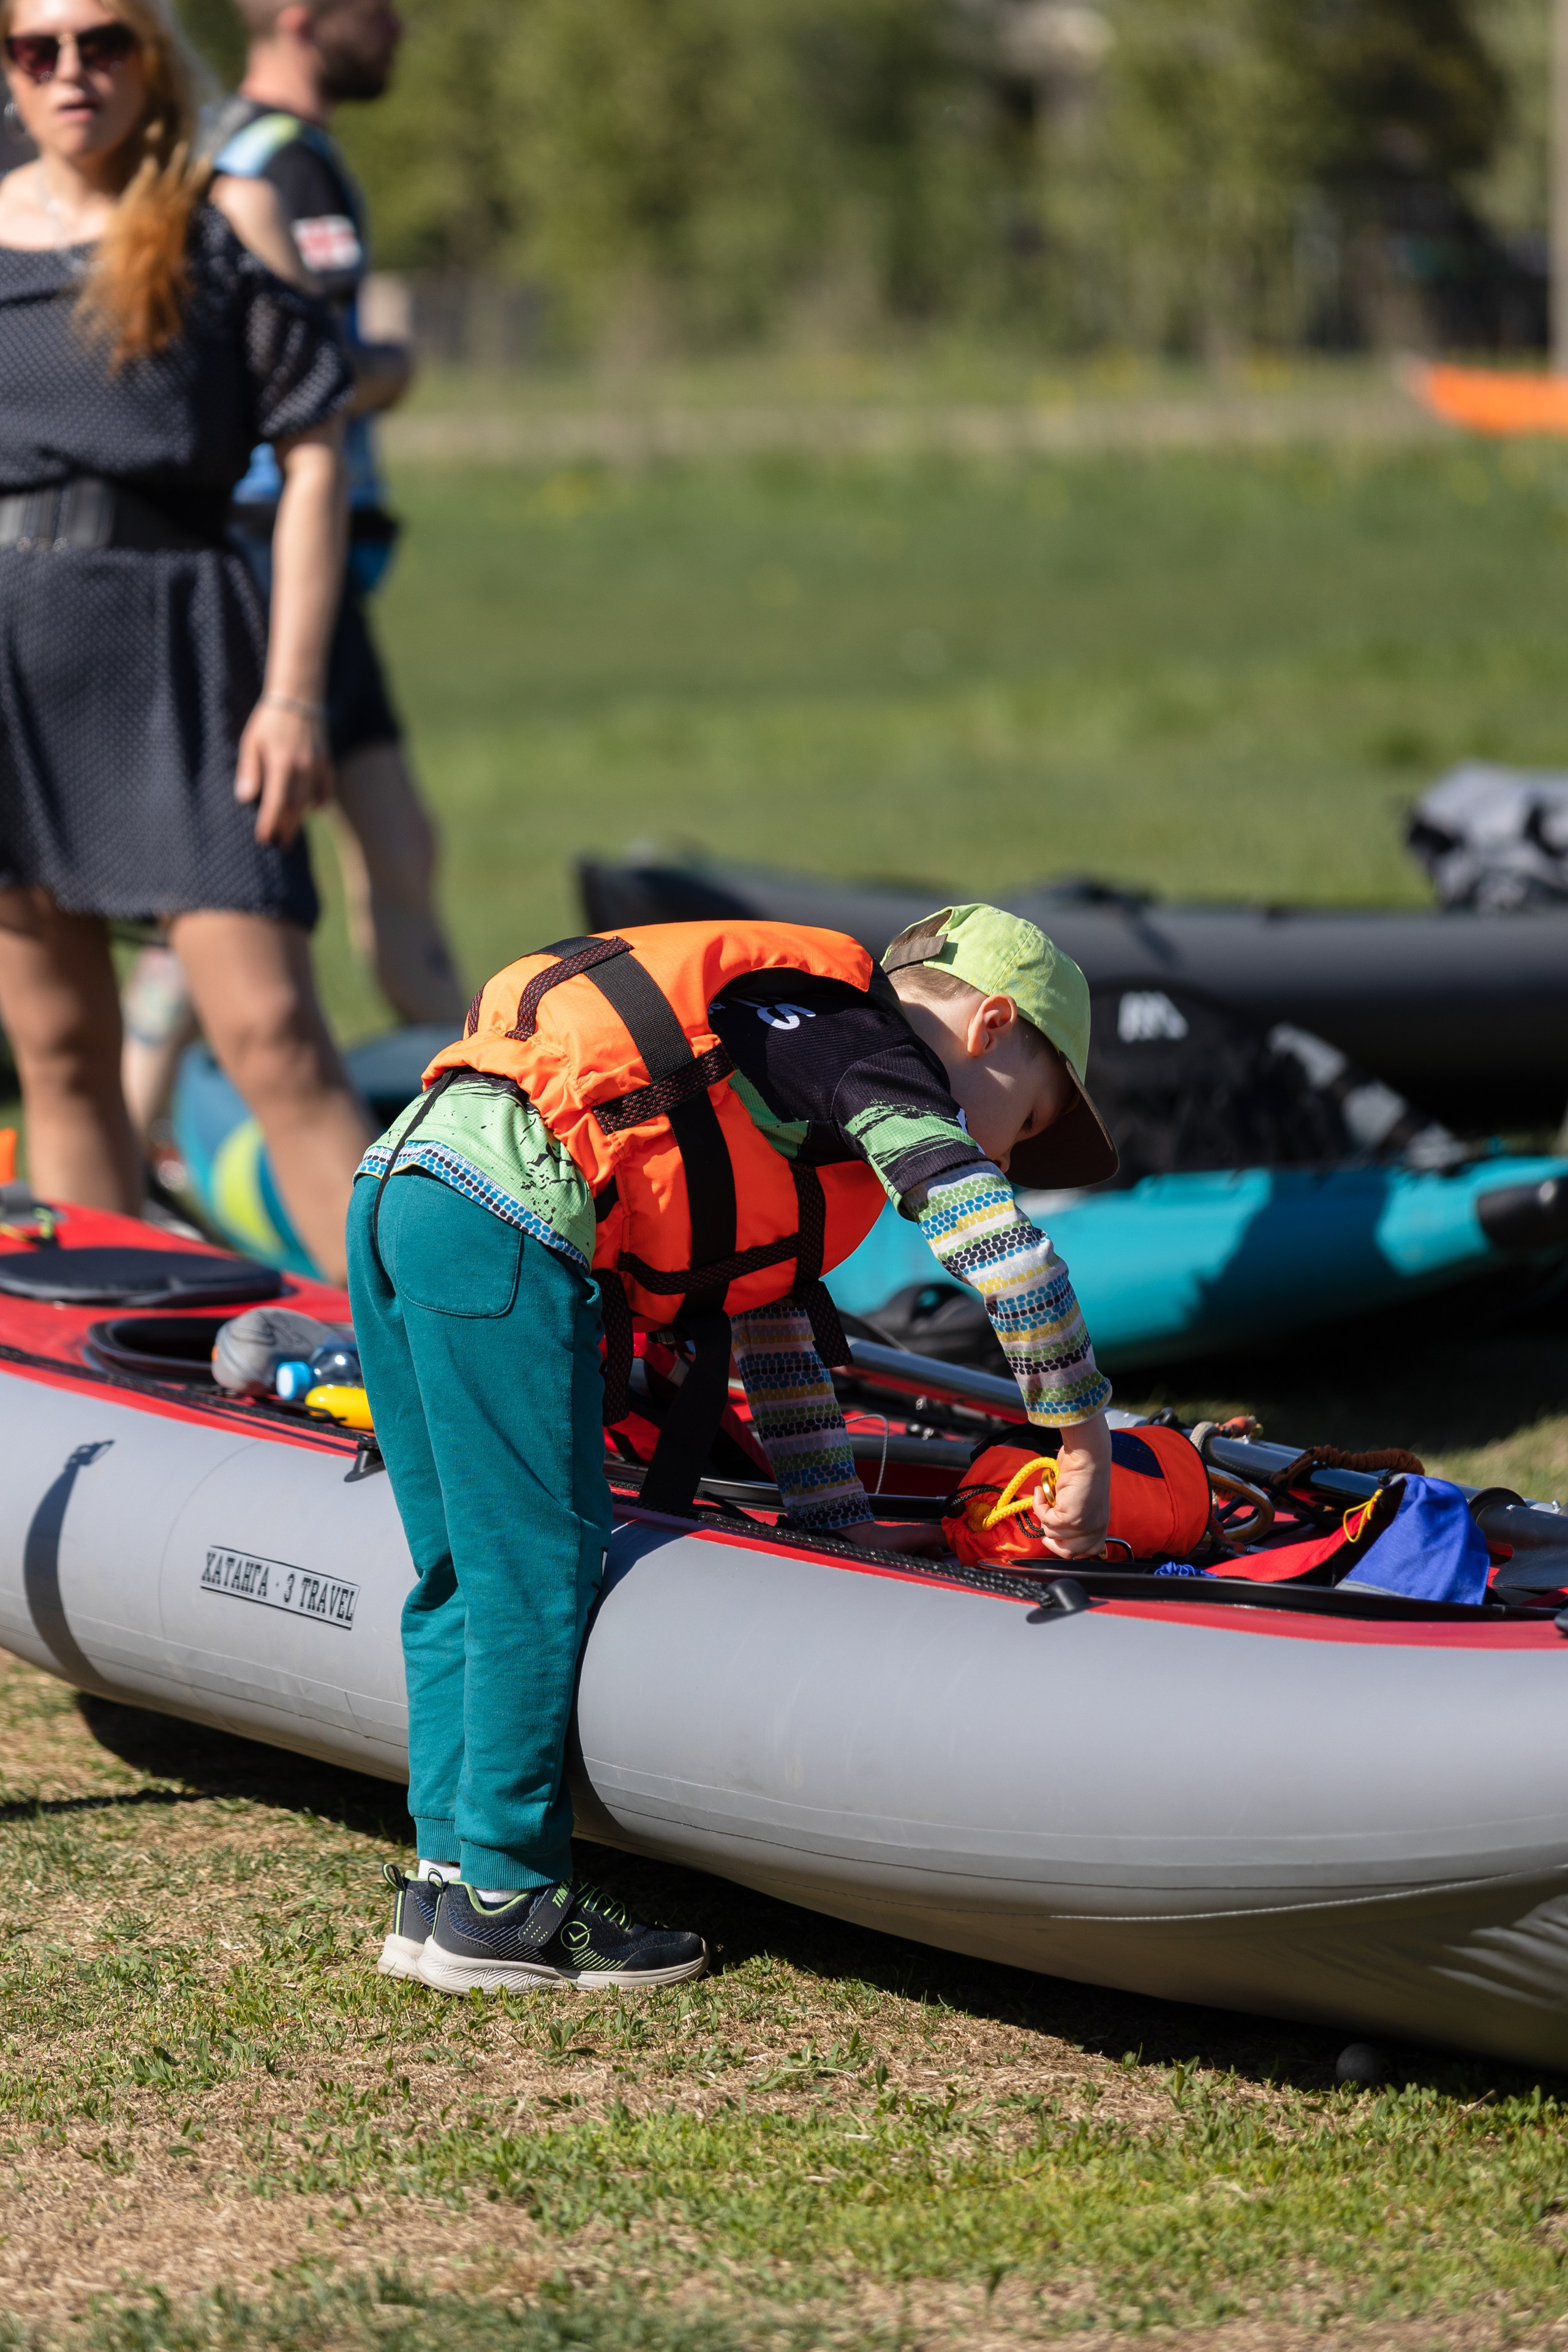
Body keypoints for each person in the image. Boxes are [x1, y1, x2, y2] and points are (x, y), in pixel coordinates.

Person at [348, 905, 1116, 1994]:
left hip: (399, 1182)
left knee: (460, 1573)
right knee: (535, 1567)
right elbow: (1006, 1249)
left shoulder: (781, 1059)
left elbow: (770, 1327)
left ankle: (442, 1892)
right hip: (507, 1213)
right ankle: (508, 1907)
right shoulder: (870, 1056)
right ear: (990, 1025)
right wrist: (1083, 1447)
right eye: (1027, 1118)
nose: (1010, 1152)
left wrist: (841, 1528)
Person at [0, 0, 371, 1278]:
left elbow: (315, 456)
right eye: (37, 49)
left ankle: (420, 1357)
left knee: (272, 1035)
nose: (71, 73)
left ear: (150, 57)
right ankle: (101, 1345)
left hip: (181, 645)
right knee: (58, 1050)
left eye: (102, 43)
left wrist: (295, 694)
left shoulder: (224, 217)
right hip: (10, 659)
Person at [212, 0, 461, 1030]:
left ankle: (473, 1084)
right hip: (271, 543)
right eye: (377, 7)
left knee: (397, 846)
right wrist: (391, 366)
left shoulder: (258, 144)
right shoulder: (280, 163)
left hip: (291, 541)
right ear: (298, 14)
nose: (400, 25)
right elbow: (287, 370)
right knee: (237, 868)